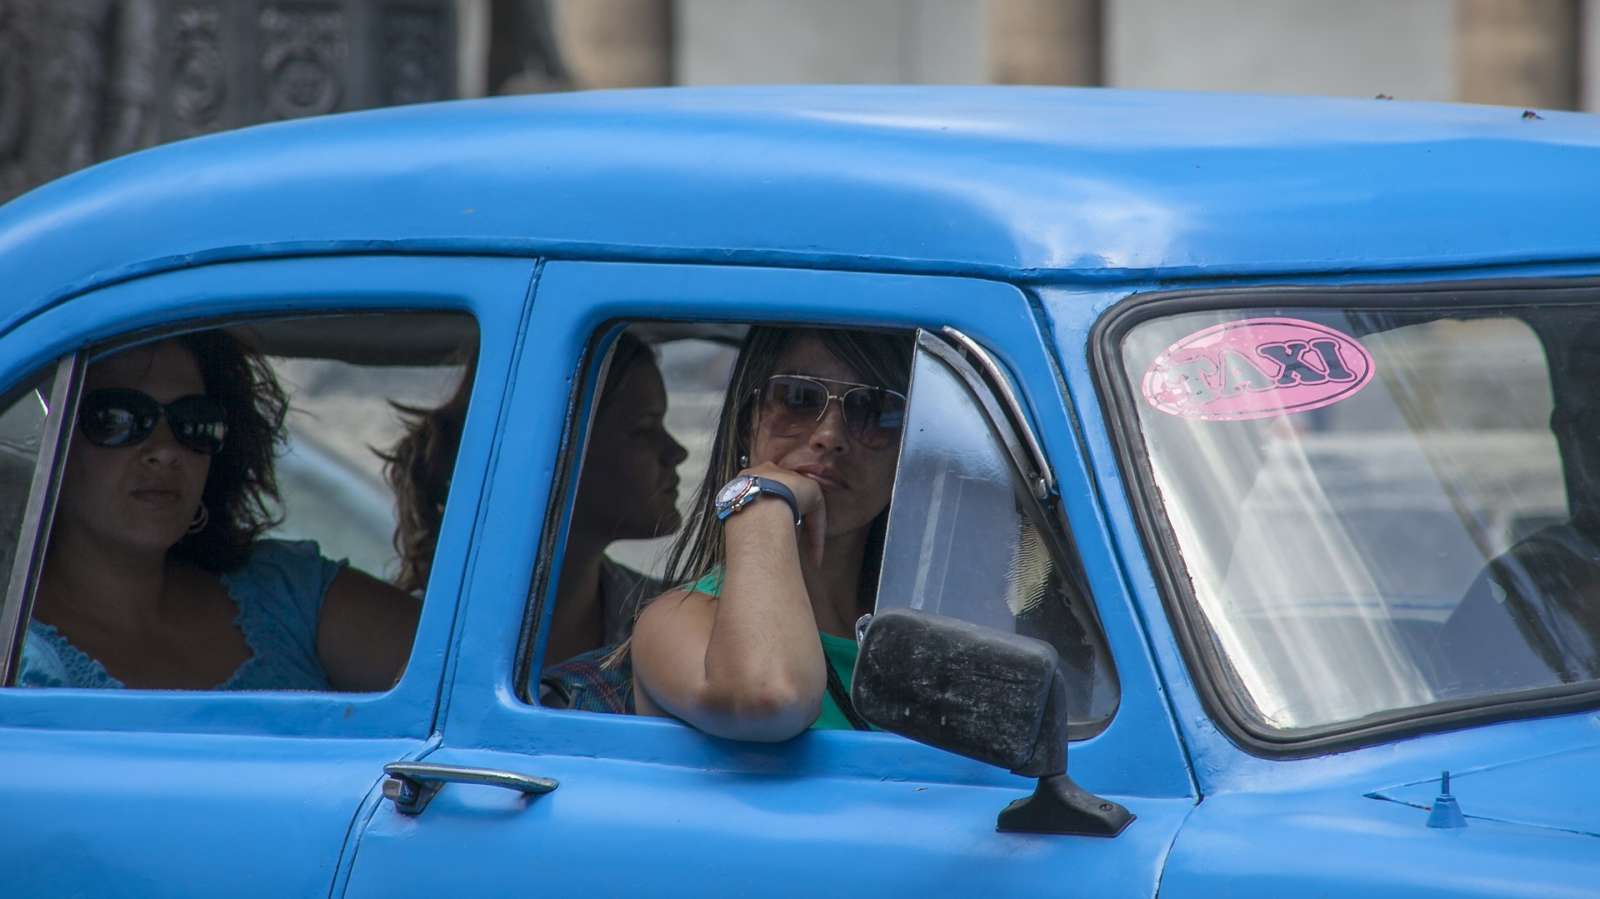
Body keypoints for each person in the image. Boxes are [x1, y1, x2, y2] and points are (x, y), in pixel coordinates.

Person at [21, 331, 419, 691]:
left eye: (194, 422)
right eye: (117, 419)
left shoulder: (286, 596)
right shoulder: (17, 653)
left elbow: (470, 665)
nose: (166, 450)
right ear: (50, 439)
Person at [628, 326, 912, 741]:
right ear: (748, 425)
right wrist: (758, 500)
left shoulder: (923, 634)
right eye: (797, 398)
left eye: (875, 410)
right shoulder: (678, 622)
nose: (828, 437)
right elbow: (769, 697)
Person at [384, 331, 688, 678]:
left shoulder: (671, 619)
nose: (676, 452)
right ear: (561, 449)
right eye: (644, 428)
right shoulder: (420, 639)